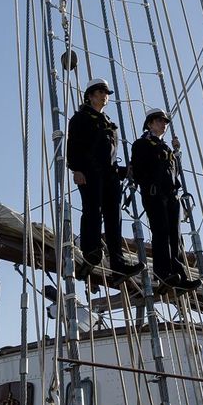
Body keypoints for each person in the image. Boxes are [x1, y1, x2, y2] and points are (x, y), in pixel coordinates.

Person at [66, 80, 140, 277]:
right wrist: (76, 169)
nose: (104, 96)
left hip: (110, 176)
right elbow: (73, 146)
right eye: (100, 92)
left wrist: (124, 172)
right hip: (89, 172)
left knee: (114, 218)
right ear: (89, 96)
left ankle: (118, 264)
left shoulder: (109, 124)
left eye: (106, 93)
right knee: (92, 209)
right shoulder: (80, 118)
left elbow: (110, 157)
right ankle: (91, 249)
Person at [129, 109, 199, 289]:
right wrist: (150, 185)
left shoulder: (167, 149)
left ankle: (179, 276)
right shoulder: (141, 144)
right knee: (161, 233)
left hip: (171, 195)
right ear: (150, 124)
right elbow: (138, 169)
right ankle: (162, 274)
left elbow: (174, 172)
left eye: (165, 122)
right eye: (160, 121)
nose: (164, 124)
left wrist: (177, 152)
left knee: (175, 237)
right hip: (155, 193)